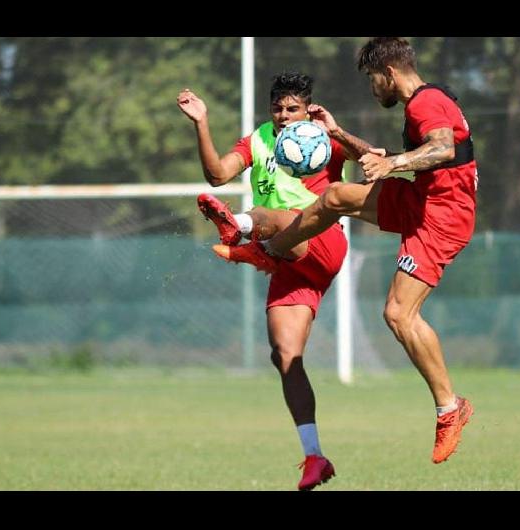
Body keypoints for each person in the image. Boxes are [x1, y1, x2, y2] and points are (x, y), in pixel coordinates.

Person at [230, 37, 478, 464]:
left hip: (441, 216)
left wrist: (393, 164)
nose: (372, 89)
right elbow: (409, 157)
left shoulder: (425, 102)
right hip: (423, 200)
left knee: (399, 314)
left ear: (388, 73)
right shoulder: (424, 101)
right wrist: (338, 133)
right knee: (335, 197)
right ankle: (269, 250)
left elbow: (443, 148)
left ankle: (449, 407)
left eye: (371, 80)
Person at [177, 72, 369, 490]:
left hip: (321, 240)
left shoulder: (321, 134)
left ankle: (239, 226)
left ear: (307, 108)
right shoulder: (259, 139)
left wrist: (337, 131)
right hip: (285, 259)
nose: (284, 116)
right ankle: (315, 456)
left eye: (292, 108)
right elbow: (216, 176)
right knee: (285, 356)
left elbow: (372, 159)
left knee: (263, 217)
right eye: (278, 108)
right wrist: (202, 122)